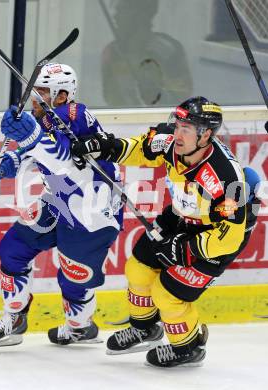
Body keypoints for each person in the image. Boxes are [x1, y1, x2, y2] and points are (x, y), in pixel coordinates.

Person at [71, 96, 261, 367]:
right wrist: (106, 148)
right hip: (183, 215)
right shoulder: (171, 141)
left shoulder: (224, 178)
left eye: (186, 128)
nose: (177, 133)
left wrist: (186, 248)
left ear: (205, 134)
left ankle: (189, 347)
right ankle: (145, 328)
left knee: (168, 294)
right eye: (178, 124)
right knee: (138, 268)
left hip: (214, 236)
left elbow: (228, 237)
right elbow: (141, 148)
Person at [0, 63, 123, 348]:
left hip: (91, 213)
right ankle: (15, 318)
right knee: (13, 249)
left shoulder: (77, 116)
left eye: (42, 92)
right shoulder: (44, 117)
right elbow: (34, 153)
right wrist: (7, 164)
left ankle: (80, 327)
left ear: (61, 95)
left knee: (73, 280)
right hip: (58, 199)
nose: (34, 98)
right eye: (35, 91)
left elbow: (64, 160)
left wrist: (30, 136)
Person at [101, 0, 193, 107]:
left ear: (141, 15)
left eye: (122, 10)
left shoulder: (168, 51)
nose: (116, 16)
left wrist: (157, 91)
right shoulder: (111, 53)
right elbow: (110, 98)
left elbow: (182, 97)